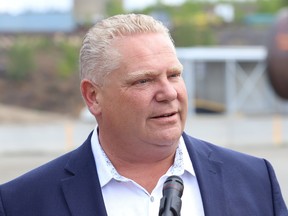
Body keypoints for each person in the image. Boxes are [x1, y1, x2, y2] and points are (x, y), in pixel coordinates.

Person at [0, 14, 287, 216]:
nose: (168, 93)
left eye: (174, 75)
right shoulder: (20, 203)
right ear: (93, 96)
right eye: (143, 81)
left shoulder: (255, 180)